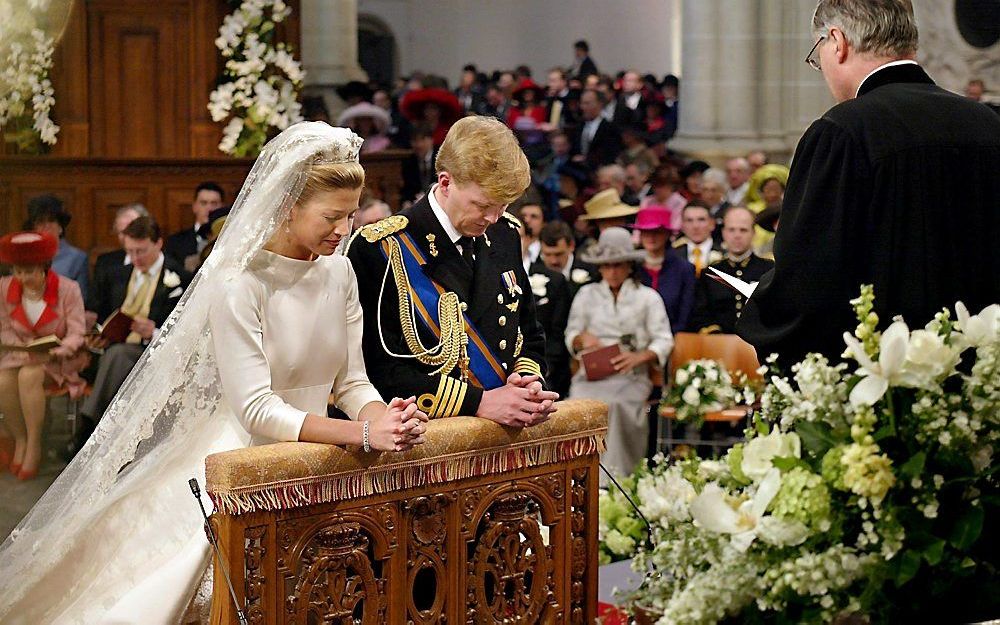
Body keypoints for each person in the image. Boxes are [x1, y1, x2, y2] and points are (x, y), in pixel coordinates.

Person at [0, 123, 428, 624]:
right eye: (331, 216)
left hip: (312, 456)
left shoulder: (340, 271)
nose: (344, 230)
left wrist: (386, 419)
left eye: (351, 216)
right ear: (289, 205)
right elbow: (256, 407)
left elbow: (351, 381)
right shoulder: (238, 284)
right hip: (238, 459)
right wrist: (361, 432)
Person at [739, 0, 1000, 372]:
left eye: (817, 54)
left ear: (837, 42)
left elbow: (810, 278)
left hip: (879, 391)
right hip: (980, 381)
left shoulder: (842, 132)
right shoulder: (988, 125)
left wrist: (762, 306)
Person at [347, 116, 559, 426]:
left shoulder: (505, 234)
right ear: (446, 183)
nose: (492, 217)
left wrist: (526, 382)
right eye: (482, 204)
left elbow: (528, 333)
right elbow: (377, 369)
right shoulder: (380, 249)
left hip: (503, 436)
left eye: (502, 206)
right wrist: (481, 402)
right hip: (425, 437)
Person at [566, 227, 672, 478]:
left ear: (629, 266)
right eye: (607, 266)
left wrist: (641, 356)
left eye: (618, 265)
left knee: (615, 405)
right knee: (578, 404)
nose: (612, 272)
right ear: (600, 268)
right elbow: (571, 335)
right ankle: (580, 476)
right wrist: (582, 340)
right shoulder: (586, 294)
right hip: (591, 375)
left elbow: (664, 339)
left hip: (631, 375)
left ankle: (619, 476)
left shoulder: (648, 297)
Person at [80, 216, 193, 435]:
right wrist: (100, 336)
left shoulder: (179, 278)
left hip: (156, 353)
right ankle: (106, 431)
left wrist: (153, 331)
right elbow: (103, 316)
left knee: (118, 356)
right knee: (115, 355)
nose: (134, 258)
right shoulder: (117, 275)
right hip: (115, 351)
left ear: (158, 243)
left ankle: (89, 426)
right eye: (129, 251)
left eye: (140, 251)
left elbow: (186, 331)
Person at [0, 232, 88, 480]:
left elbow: (77, 331)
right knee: (2, 381)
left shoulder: (68, 289)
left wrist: (60, 350)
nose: (22, 278)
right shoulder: (4, 287)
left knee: (29, 376)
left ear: (44, 268)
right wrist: (22, 347)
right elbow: (5, 328)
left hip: (57, 361)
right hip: (20, 358)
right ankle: (20, 438)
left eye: (29, 271)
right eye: (18, 271)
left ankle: (35, 444)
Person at [690, 206, 774, 334]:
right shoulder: (710, 273)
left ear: (753, 233)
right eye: (731, 230)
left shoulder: (768, 269)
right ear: (723, 232)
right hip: (720, 345)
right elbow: (701, 315)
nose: (737, 235)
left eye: (743, 230)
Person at [517, 219, 572, 397]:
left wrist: (539, 372)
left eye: (518, 236)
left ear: (529, 239)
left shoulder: (554, 279)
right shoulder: (482, 279)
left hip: (545, 369)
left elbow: (557, 333)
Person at [633, 206, 696, 333]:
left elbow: (685, 315)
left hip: (674, 339)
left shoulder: (684, 269)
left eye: (657, 232)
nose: (651, 237)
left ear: (667, 234)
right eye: (646, 232)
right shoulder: (632, 268)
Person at [23, 195, 89, 301]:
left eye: (51, 220)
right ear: (33, 228)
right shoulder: (22, 255)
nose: (46, 226)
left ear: (60, 227)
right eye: (41, 222)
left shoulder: (77, 257)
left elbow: (81, 299)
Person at [164, 182, 225, 270]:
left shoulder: (230, 239)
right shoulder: (175, 242)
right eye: (204, 203)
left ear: (222, 206)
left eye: (214, 203)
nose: (209, 209)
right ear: (194, 207)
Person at [536, 220, 600, 299]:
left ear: (572, 246)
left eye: (558, 254)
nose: (553, 261)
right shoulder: (533, 276)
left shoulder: (592, 272)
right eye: (547, 254)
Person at [672, 201, 723, 277]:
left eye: (701, 219)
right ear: (682, 225)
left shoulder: (724, 254)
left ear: (712, 224)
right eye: (689, 220)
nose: (695, 226)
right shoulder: (673, 255)